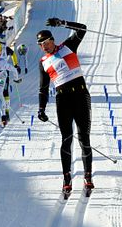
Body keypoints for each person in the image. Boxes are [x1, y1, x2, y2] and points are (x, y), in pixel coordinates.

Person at [36, 17, 93, 195]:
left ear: (53, 40)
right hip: (63, 99)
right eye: (41, 44)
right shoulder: (43, 62)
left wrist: (62, 23)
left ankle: (88, 176)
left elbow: (82, 28)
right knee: (66, 139)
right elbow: (43, 88)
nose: (44, 46)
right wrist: (41, 108)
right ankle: (67, 177)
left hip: (81, 95)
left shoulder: (68, 46)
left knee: (84, 138)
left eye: (46, 42)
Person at [0, 40, 21, 126]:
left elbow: (13, 55)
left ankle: (5, 114)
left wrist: (16, 65)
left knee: (1, 93)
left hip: (2, 76)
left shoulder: (5, 52)